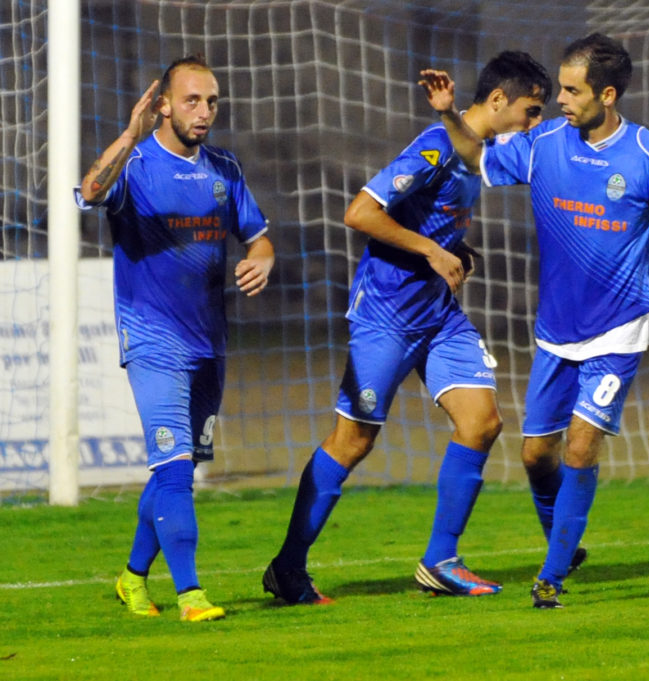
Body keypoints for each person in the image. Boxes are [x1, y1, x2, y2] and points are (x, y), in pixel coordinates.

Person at [420, 33, 649, 609]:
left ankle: (550, 577)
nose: (561, 101)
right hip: (555, 332)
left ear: (606, 93)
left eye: (573, 91)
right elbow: (476, 156)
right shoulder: (543, 142)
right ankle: (564, 542)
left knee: (580, 447)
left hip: (620, 328)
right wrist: (450, 112)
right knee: (535, 455)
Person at [261, 51, 552, 605]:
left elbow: (432, 219)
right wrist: (430, 251)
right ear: (498, 101)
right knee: (354, 440)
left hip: (438, 313)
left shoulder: (475, 153)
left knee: (482, 422)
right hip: (386, 313)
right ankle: (287, 567)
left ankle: (441, 560)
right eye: (531, 111)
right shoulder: (435, 146)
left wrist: (453, 250)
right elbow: (360, 212)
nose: (533, 124)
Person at [75, 54, 275, 622]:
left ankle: (132, 579)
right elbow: (89, 191)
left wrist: (262, 259)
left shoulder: (224, 170)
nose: (204, 111)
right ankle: (191, 595)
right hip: (152, 338)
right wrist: (127, 135)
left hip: (209, 342)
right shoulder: (135, 164)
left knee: (176, 469)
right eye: (191, 99)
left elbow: (258, 237)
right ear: (162, 104)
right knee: (175, 471)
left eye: (212, 100)